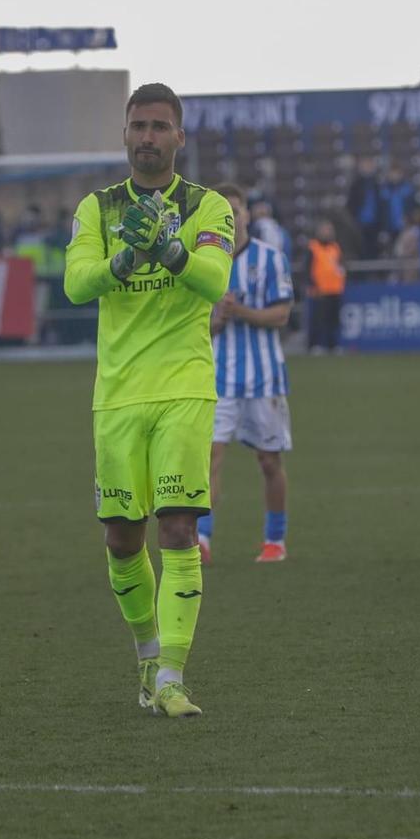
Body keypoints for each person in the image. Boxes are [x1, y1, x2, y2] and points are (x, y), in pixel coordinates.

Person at [62, 82, 234, 719]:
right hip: (117, 396)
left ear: (179, 137)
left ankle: (171, 676)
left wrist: (168, 249)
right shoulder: (96, 209)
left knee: (179, 528)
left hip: (184, 388)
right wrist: (128, 257)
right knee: (121, 541)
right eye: (139, 126)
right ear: (126, 133)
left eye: (160, 127)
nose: (148, 137)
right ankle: (145, 654)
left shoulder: (207, 206)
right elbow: (77, 285)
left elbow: (213, 281)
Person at [202, 183, 294, 566]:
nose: (232, 216)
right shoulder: (205, 263)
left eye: (236, 209)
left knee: (269, 462)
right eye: (224, 210)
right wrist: (219, 317)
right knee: (209, 458)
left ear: (246, 214)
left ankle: (275, 540)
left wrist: (242, 313)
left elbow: (282, 315)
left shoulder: (270, 258)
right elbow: (199, 327)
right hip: (218, 378)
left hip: (264, 379)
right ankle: (202, 539)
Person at [303, 219, 345, 354]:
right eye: (325, 230)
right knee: (318, 320)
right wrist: (312, 284)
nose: (328, 233)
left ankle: (333, 345)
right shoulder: (313, 247)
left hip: (335, 289)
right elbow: (307, 268)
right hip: (319, 291)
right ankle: (315, 345)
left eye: (329, 230)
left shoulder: (335, 247)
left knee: (333, 320)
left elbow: (340, 265)